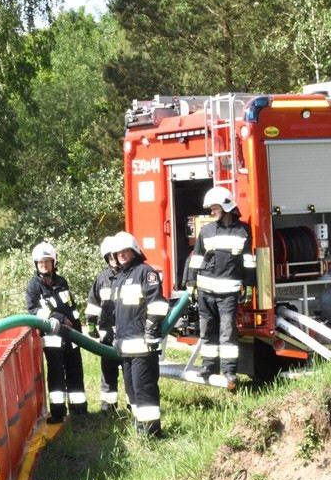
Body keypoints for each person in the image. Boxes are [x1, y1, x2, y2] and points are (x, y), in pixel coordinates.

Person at [185, 186, 255, 387]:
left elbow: (248, 261)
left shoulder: (243, 231)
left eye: (214, 208)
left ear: (226, 206)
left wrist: (249, 286)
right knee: (207, 331)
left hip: (229, 293)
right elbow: (196, 259)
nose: (211, 212)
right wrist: (191, 284)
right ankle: (208, 366)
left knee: (228, 332)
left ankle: (230, 371)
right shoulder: (206, 231)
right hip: (205, 292)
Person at [108, 232, 170, 438]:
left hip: (143, 347)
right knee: (132, 390)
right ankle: (139, 427)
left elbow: (158, 304)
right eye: (118, 252)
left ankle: (151, 432)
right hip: (125, 347)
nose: (121, 255)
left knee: (144, 389)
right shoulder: (119, 278)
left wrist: (152, 328)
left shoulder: (146, 272)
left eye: (125, 251)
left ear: (134, 251)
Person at [25, 241, 87, 423]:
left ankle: (79, 411)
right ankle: (58, 413)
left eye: (47, 261)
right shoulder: (34, 287)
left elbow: (71, 307)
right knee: (56, 376)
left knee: (75, 372)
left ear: (54, 262)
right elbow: (34, 311)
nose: (44, 265)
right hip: (52, 339)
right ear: (36, 264)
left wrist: (77, 328)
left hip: (72, 335)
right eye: (41, 262)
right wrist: (59, 318)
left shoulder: (62, 282)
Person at [86, 236, 122, 413]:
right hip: (107, 335)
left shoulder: (131, 275)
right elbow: (93, 303)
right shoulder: (102, 278)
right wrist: (91, 324)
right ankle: (108, 409)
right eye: (109, 257)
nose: (113, 260)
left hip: (126, 334)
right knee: (108, 374)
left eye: (115, 256)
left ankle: (133, 407)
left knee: (130, 375)